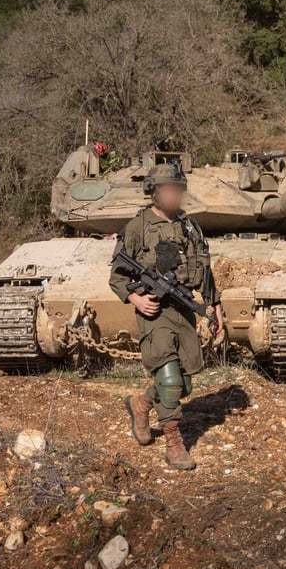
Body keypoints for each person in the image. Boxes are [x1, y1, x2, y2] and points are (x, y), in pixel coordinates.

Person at [109, 163, 224, 470]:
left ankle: (141, 404)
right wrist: (135, 297)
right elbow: (117, 276)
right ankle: (174, 444)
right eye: (169, 190)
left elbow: (204, 269)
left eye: (178, 189)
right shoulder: (137, 227)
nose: (175, 195)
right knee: (170, 380)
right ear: (154, 192)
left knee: (183, 384)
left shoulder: (190, 226)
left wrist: (215, 305)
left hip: (183, 308)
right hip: (154, 310)